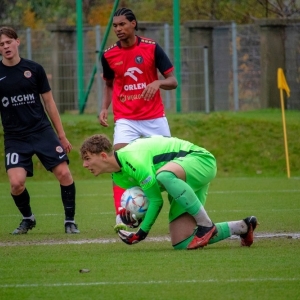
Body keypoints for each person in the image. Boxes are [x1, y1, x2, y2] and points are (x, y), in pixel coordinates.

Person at [80, 134, 258, 250]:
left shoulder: (133, 160)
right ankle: (242, 227)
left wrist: (141, 233)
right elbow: (149, 198)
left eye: (88, 159)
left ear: (103, 156)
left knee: (163, 175)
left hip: (200, 161)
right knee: (182, 243)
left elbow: (157, 202)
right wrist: (134, 218)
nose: (84, 165)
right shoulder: (117, 177)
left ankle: (206, 224)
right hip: (183, 183)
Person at [98, 7, 178, 231]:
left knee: (170, 167)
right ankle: (121, 215)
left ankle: (178, 212)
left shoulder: (151, 48)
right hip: (126, 118)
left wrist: (157, 82)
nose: (118, 29)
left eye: (122, 24)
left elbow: (173, 81)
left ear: (134, 24)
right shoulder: (108, 54)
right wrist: (104, 107)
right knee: (118, 163)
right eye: (115, 26)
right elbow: (108, 84)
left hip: (154, 117)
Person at [0, 27, 79, 234]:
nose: (5, 47)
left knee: (64, 173)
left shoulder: (34, 69)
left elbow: (49, 103)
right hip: (15, 137)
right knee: (16, 183)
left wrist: (61, 135)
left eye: (8, 42)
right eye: (1, 44)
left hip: (42, 131)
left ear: (17, 42)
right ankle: (28, 218)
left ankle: (70, 221)